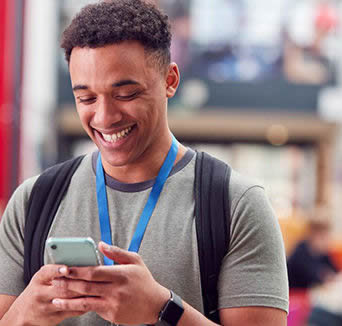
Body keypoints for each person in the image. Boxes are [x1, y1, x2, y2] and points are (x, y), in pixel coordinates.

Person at [0, 1, 288, 325]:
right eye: (87, 98)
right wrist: (24, 314)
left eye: (125, 94)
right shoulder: (33, 201)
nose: (105, 117)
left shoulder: (236, 204)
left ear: (170, 80)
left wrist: (163, 309)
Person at [287, 217, 339, 289]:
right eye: (322, 237)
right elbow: (310, 276)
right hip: (296, 294)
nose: (326, 241)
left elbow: (336, 270)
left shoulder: (322, 253)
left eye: (328, 237)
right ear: (312, 235)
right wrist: (325, 276)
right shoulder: (300, 252)